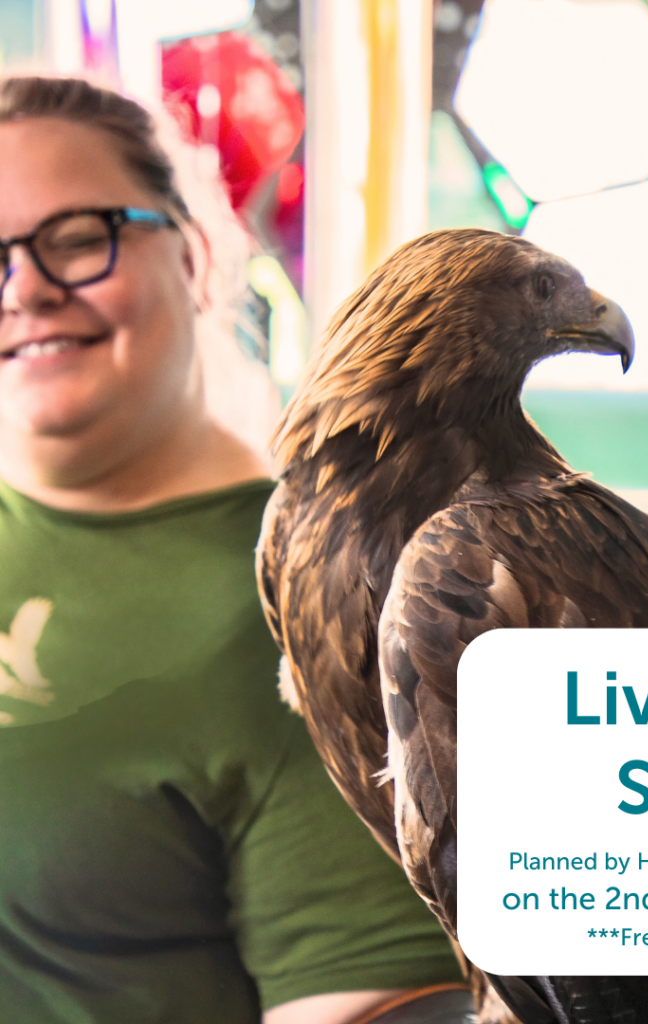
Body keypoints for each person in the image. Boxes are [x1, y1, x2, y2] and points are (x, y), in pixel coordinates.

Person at [0, 75, 467, 1024]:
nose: (28, 290)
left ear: (198, 258)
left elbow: (384, 1006)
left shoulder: (311, 607)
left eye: (79, 238)